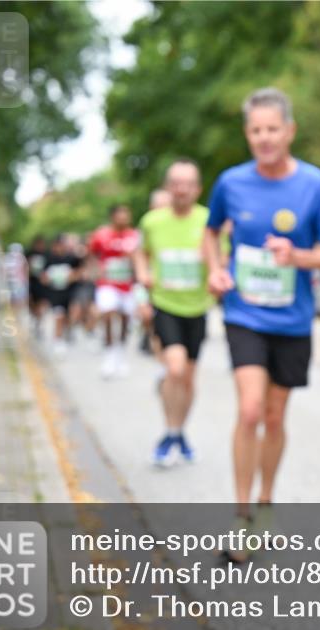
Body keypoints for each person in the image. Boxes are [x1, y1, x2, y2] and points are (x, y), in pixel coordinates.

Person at [204, 87, 320, 560]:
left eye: (272, 129)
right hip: (244, 313)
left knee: (273, 415)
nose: (264, 138)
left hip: (292, 319)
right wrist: (215, 269)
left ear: (289, 131)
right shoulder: (230, 183)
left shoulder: (313, 183)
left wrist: (299, 256)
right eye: (255, 130)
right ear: (247, 134)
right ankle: (242, 516)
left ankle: (266, 499)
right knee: (249, 410)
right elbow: (211, 232)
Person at [134, 160, 211, 466]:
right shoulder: (152, 221)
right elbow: (139, 252)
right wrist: (143, 280)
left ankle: (177, 432)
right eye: (176, 183)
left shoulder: (209, 220)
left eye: (188, 183)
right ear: (168, 187)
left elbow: (223, 257)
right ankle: (169, 430)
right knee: (175, 369)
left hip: (198, 307)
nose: (181, 189)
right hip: (165, 304)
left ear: (197, 189)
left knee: (189, 379)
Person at [90, 204, 141, 379]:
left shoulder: (135, 236)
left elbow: (142, 258)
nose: (124, 218)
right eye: (120, 214)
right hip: (107, 284)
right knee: (108, 313)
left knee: (126, 320)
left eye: (126, 214)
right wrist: (95, 272)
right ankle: (110, 354)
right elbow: (92, 256)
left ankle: (121, 353)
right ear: (113, 216)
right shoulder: (101, 235)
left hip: (127, 285)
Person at [136, 188, 172, 356]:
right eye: (160, 206)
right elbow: (139, 254)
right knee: (147, 315)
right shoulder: (147, 225)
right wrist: (143, 274)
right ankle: (147, 335)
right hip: (149, 282)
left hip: (170, 287)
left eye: (167, 206)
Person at [40, 234, 83, 356]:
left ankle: (69, 332)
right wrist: (48, 279)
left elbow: (80, 272)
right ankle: (58, 341)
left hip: (70, 292)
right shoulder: (48, 259)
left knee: (71, 315)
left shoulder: (72, 258)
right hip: (55, 293)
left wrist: (72, 276)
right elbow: (43, 276)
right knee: (59, 316)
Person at [25, 236, 49, 339]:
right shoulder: (29, 254)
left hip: (42, 284)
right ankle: (34, 317)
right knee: (31, 302)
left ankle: (39, 323)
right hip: (31, 282)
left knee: (42, 304)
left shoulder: (47, 255)